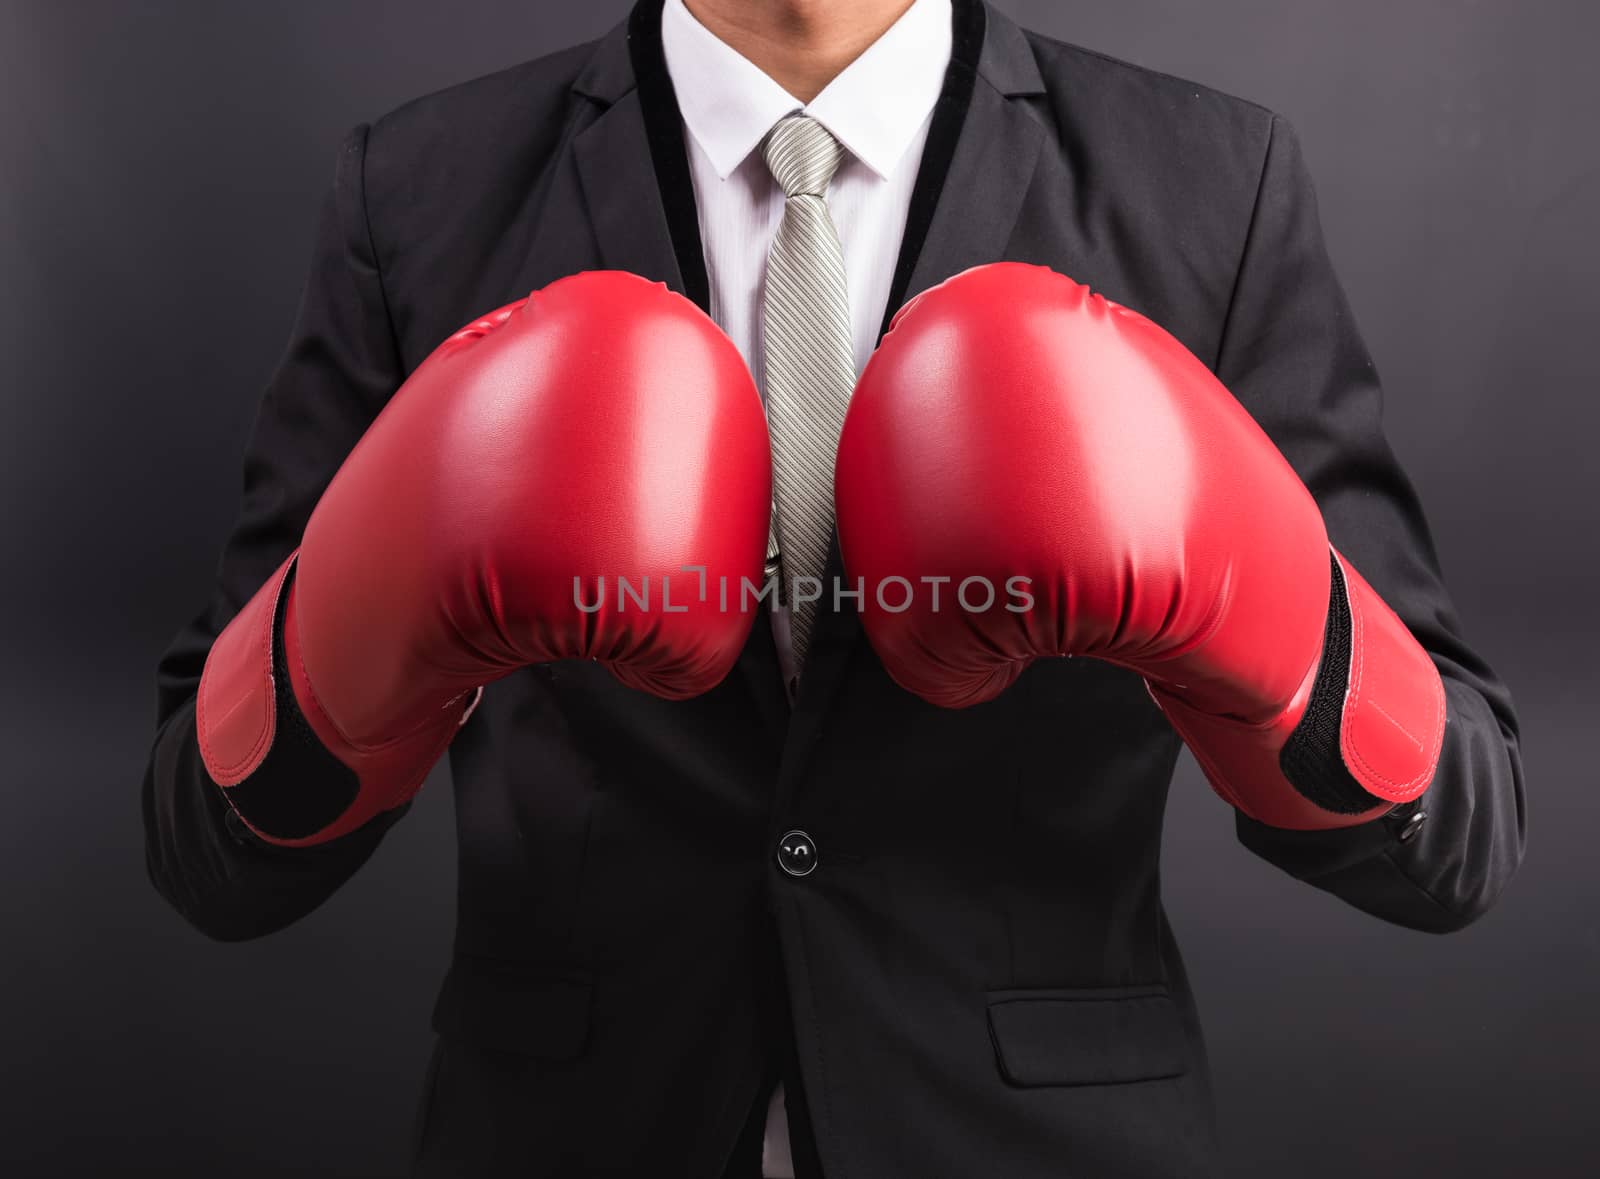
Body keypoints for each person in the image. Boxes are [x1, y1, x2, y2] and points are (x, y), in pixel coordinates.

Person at [141, 1, 1526, 1175]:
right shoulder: (422, 187)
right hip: (568, 1130)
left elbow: (1457, 834)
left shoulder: (1211, 183)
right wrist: (382, 631)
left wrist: (1264, 621)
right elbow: (212, 848)